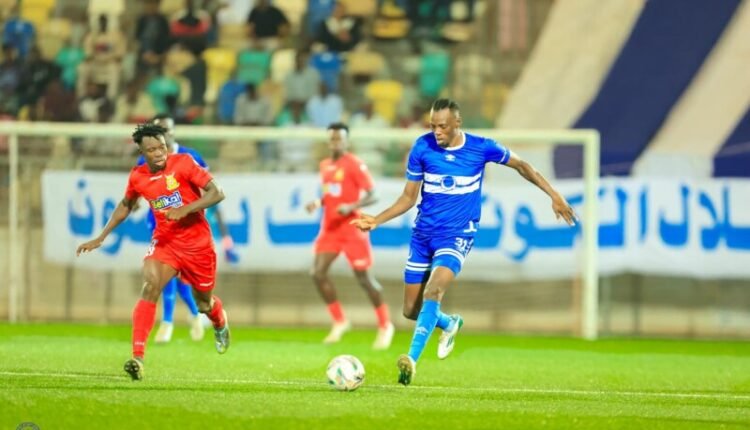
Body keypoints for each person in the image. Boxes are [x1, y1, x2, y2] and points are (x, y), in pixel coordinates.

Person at [351, 99, 577, 385]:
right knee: (411, 310)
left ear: (457, 123)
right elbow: (408, 197)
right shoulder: (422, 147)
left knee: (434, 290)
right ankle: (449, 323)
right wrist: (377, 220)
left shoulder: (482, 147)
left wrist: (554, 195)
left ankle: (411, 360)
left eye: (442, 126)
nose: (437, 132)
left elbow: (522, 165)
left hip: (457, 235)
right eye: (433, 126)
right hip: (423, 235)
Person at [76, 122, 231, 381]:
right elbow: (126, 205)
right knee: (150, 286)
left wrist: (186, 209)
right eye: (152, 150)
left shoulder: (184, 163)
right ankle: (137, 357)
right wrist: (101, 237)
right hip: (165, 243)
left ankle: (219, 321)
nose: (159, 153)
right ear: (141, 152)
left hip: (198, 245)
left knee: (204, 303)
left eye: (162, 147)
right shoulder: (138, 176)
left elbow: (218, 193)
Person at [137, 114, 238, 344]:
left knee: (187, 282)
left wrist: (224, 237)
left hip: (189, 225)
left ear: (173, 132)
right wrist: (133, 204)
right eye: (158, 130)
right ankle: (167, 322)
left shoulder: (190, 157)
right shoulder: (144, 160)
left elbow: (210, 190)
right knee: (162, 274)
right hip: (161, 223)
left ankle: (196, 314)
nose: (163, 134)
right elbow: (140, 188)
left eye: (167, 129)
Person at [305, 123, 395, 350]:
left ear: (346, 141)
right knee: (317, 273)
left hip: (352, 228)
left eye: (340, 139)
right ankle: (340, 321)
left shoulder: (354, 164)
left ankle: (385, 325)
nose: (336, 142)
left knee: (364, 279)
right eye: (332, 139)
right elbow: (331, 193)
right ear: (329, 141)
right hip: (330, 228)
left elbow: (374, 195)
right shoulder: (325, 165)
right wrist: (318, 202)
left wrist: (351, 206)